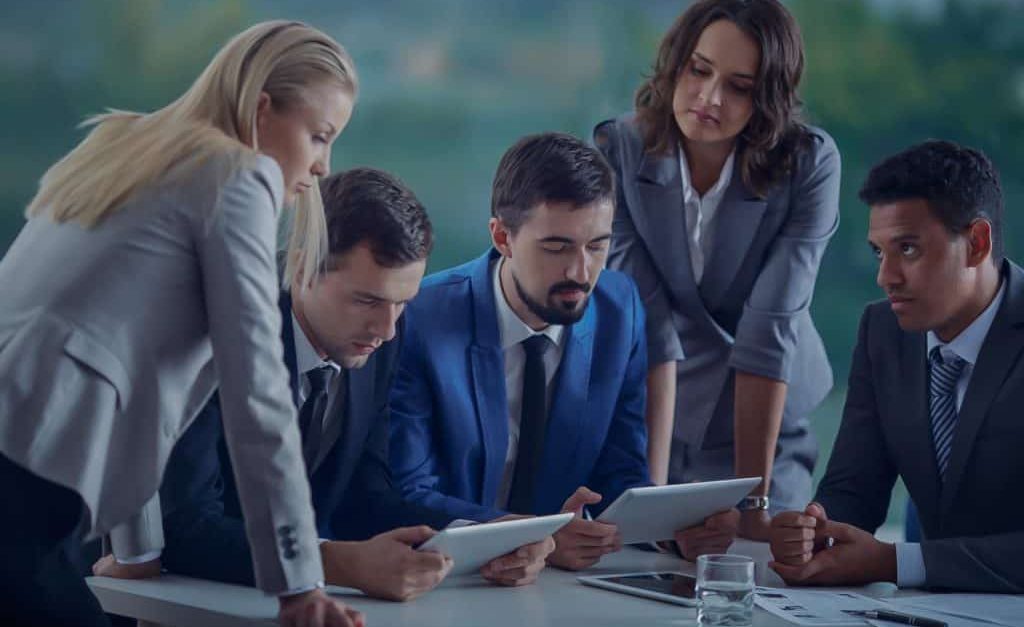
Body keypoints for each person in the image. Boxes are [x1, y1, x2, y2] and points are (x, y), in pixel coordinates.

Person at [0, 21, 363, 627]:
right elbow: (258, 390)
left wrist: (138, 545)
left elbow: (126, 363)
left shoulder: (124, 147)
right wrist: (299, 585)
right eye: (320, 136)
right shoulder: (236, 177)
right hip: (28, 472)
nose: (324, 166)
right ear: (260, 109)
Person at [98, 168, 554, 600]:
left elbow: (367, 496)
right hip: (131, 598)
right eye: (366, 300)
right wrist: (337, 564)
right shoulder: (212, 331)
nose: (388, 328)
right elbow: (187, 526)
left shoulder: (378, 335)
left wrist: (491, 533)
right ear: (302, 267)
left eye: (402, 302)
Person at [388, 132, 738, 571]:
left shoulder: (619, 308)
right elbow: (409, 491)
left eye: (597, 246)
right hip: (447, 576)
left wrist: (672, 534)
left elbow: (620, 471)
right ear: (502, 237)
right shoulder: (420, 318)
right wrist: (537, 535)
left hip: (557, 588)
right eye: (556, 247)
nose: (581, 271)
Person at [594, 0, 840, 540]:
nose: (709, 99)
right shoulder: (622, 149)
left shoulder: (809, 164)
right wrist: (651, 502)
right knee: (646, 569)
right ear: (676, 64)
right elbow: (649, 326)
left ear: (767, 97)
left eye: (739, 86)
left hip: (768, 425)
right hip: (666, 410)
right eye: (699, 71)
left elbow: (768, 329)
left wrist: (755, 508)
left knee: (758, 567)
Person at [769, 140, 1024, 593]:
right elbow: (854, 489)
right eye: (878, 252)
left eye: (907, 249)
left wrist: (895, 562)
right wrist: (816, 532)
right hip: (928, 612)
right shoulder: (882, 331)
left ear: (977, 243)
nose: (886, 276)